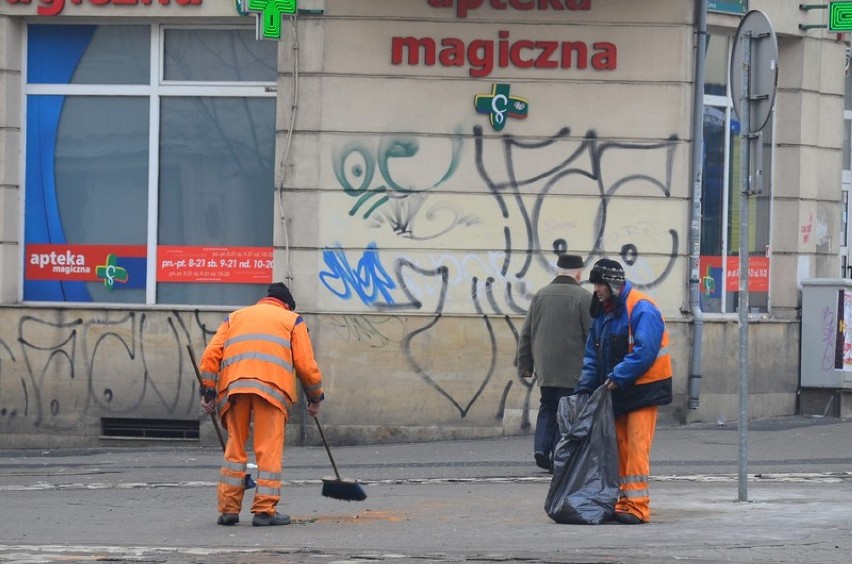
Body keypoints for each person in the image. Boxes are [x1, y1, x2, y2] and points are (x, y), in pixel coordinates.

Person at [198, 282, 325, 527]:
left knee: (235, 447)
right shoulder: (292, 319)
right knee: (268, 447)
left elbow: (211, 355)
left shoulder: (235, 317)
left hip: (234, 388)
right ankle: (264, 510)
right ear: (286, 304)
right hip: (272, 389)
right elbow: (306, 364)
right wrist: (315, 397)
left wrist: (208, 391)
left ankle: (229, 510)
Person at [574, 258, 672, 525]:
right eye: (594, 283)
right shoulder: (605, 313)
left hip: (643, 390)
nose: (596, 289)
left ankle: (638, 507)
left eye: (600, 283)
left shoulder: (641, 307)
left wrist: (617, 376)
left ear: (613, 284)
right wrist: (584, 388)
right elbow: (592, 354)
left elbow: (646, 352)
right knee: (621, 449)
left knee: (636, 448)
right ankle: (624, 502)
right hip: (620, 389)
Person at [517, 254, 592, 471]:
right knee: (565, 412)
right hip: (572, 369)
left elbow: (527, 333)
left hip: (545, 368)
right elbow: (591, 336)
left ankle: (541, 448)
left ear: (557, 271)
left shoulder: (540, 295)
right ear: (578, 273)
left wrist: (525, 364)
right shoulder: (583, 297)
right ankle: (559, 457)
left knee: (547, 406)